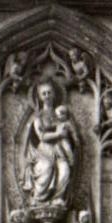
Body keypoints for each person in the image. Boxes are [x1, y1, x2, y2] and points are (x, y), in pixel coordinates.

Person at [22, 81, 79, 210]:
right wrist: (58, 134)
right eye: (43, 93)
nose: (47, 96)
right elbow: (41, 136)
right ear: (39, 97)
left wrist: (70, 137)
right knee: (47, 166)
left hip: (61, 151)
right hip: (43, 151)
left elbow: (72, 134)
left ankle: (57, 199)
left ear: (54, 94)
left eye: (49, 92)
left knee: (64, 169)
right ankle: (38, 199)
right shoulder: (38, 117)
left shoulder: (61, 113)